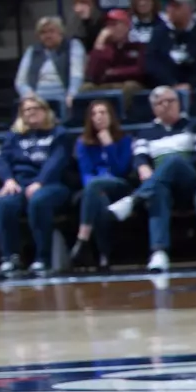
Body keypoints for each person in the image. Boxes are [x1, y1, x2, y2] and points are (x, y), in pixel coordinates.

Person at [100, 85, 196, 272]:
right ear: (154, 108)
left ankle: (134, 199)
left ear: (179, 103)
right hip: (161, 184)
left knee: (173, 160)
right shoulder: (145, 133)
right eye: (159, 103)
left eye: (170, 101)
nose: (166, 105)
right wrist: (142, 166)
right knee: (157, 191)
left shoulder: (195, 125)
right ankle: (159, 253)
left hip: (190, 180)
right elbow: (139, 157)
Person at [0, 96, 72, 278]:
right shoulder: (14, 135)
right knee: (5, 201)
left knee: (38, 200)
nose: (31, 112)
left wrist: (40, 182)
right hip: (20, 183)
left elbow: (57, 161)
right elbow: (2, 159)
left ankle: (42, 258)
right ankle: (9, 258)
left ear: (45, 111)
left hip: (53, 184)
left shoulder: (59, 134)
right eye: (26, 110)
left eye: (35, 108)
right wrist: (8, 180)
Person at [68, 100, 135, 271]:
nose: (98, 117)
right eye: (94, 114)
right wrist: (96, 189)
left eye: (103, 112)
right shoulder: (83, 142)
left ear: (111, 116)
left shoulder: (125, 139)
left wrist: (110, 146)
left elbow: (121, 170)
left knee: (95, 188)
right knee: (99, 200)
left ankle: (83, 240)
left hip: (119, 186)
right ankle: (105, 256)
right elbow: (86, 173)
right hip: (94, 189)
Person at [15, 14, 84, 117]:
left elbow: (77, 75)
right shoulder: (32, 51)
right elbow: (20, 81)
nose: (47, 36)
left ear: (61, 32)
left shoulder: (73, 45)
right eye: (43, 32)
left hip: (64, 97)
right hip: (37, 99)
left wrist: (72, 94)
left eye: (51, 31)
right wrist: (28, 94)